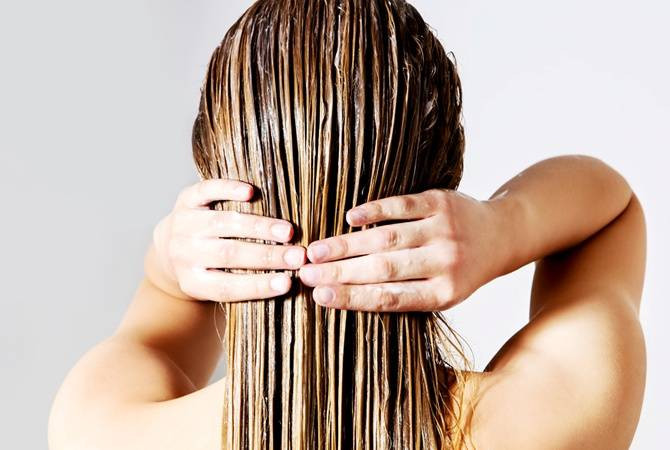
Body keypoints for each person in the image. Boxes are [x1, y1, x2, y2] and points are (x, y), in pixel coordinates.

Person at [48, 0, 647, 449]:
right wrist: (505, 225)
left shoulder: (104, 430)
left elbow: (152, 332)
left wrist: (168, 262)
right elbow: (613, 211)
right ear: (439, 192)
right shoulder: (550, 419)